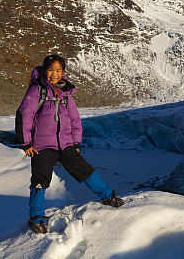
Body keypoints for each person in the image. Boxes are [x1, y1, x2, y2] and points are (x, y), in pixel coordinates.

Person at [16, 54, 124, 234]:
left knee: (85, 170)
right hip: (42, 145)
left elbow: (74, 119)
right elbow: (24, 115)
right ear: (44, 71)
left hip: (65, 144)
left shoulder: (66, 93)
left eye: (58, 70)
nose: (54, 74)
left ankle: (108, 197)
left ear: (63, 72)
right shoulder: (37, 91)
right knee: (40, 181)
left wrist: (75, 141)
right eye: (50, 70)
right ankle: (36, 217)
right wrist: (26, 143)